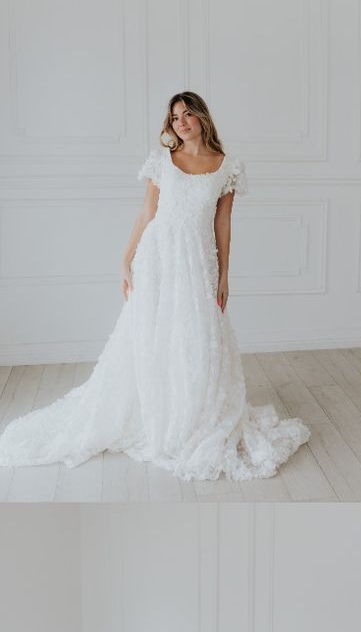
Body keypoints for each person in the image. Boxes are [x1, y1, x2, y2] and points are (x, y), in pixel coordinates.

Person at [0, 92, 309, 481]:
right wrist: (126, 257)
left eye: (187, 114)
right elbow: (148, 211)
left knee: (198, 336)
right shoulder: (164, 161)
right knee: (152, 333)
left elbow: (223, 225)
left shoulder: (226, 167)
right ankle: (156, 410)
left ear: (201, 117)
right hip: (158, 258)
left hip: (198, 263)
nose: (180, 122)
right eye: (174, 116)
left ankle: (195, 412)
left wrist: (225, 275)